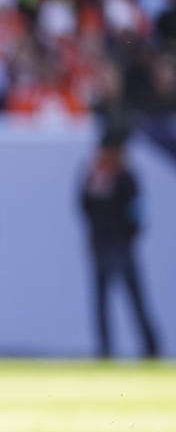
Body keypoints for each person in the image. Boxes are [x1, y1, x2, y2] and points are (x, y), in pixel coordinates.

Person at [80, 129, 159, 358]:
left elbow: (137, 210)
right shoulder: (93, 176)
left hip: (121, 245)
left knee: (135, 298)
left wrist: (129, 236)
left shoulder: (126, 177)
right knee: (101, 300)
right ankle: (104, 348)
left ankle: (150, 347)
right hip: (101, 245)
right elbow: (84, 206)